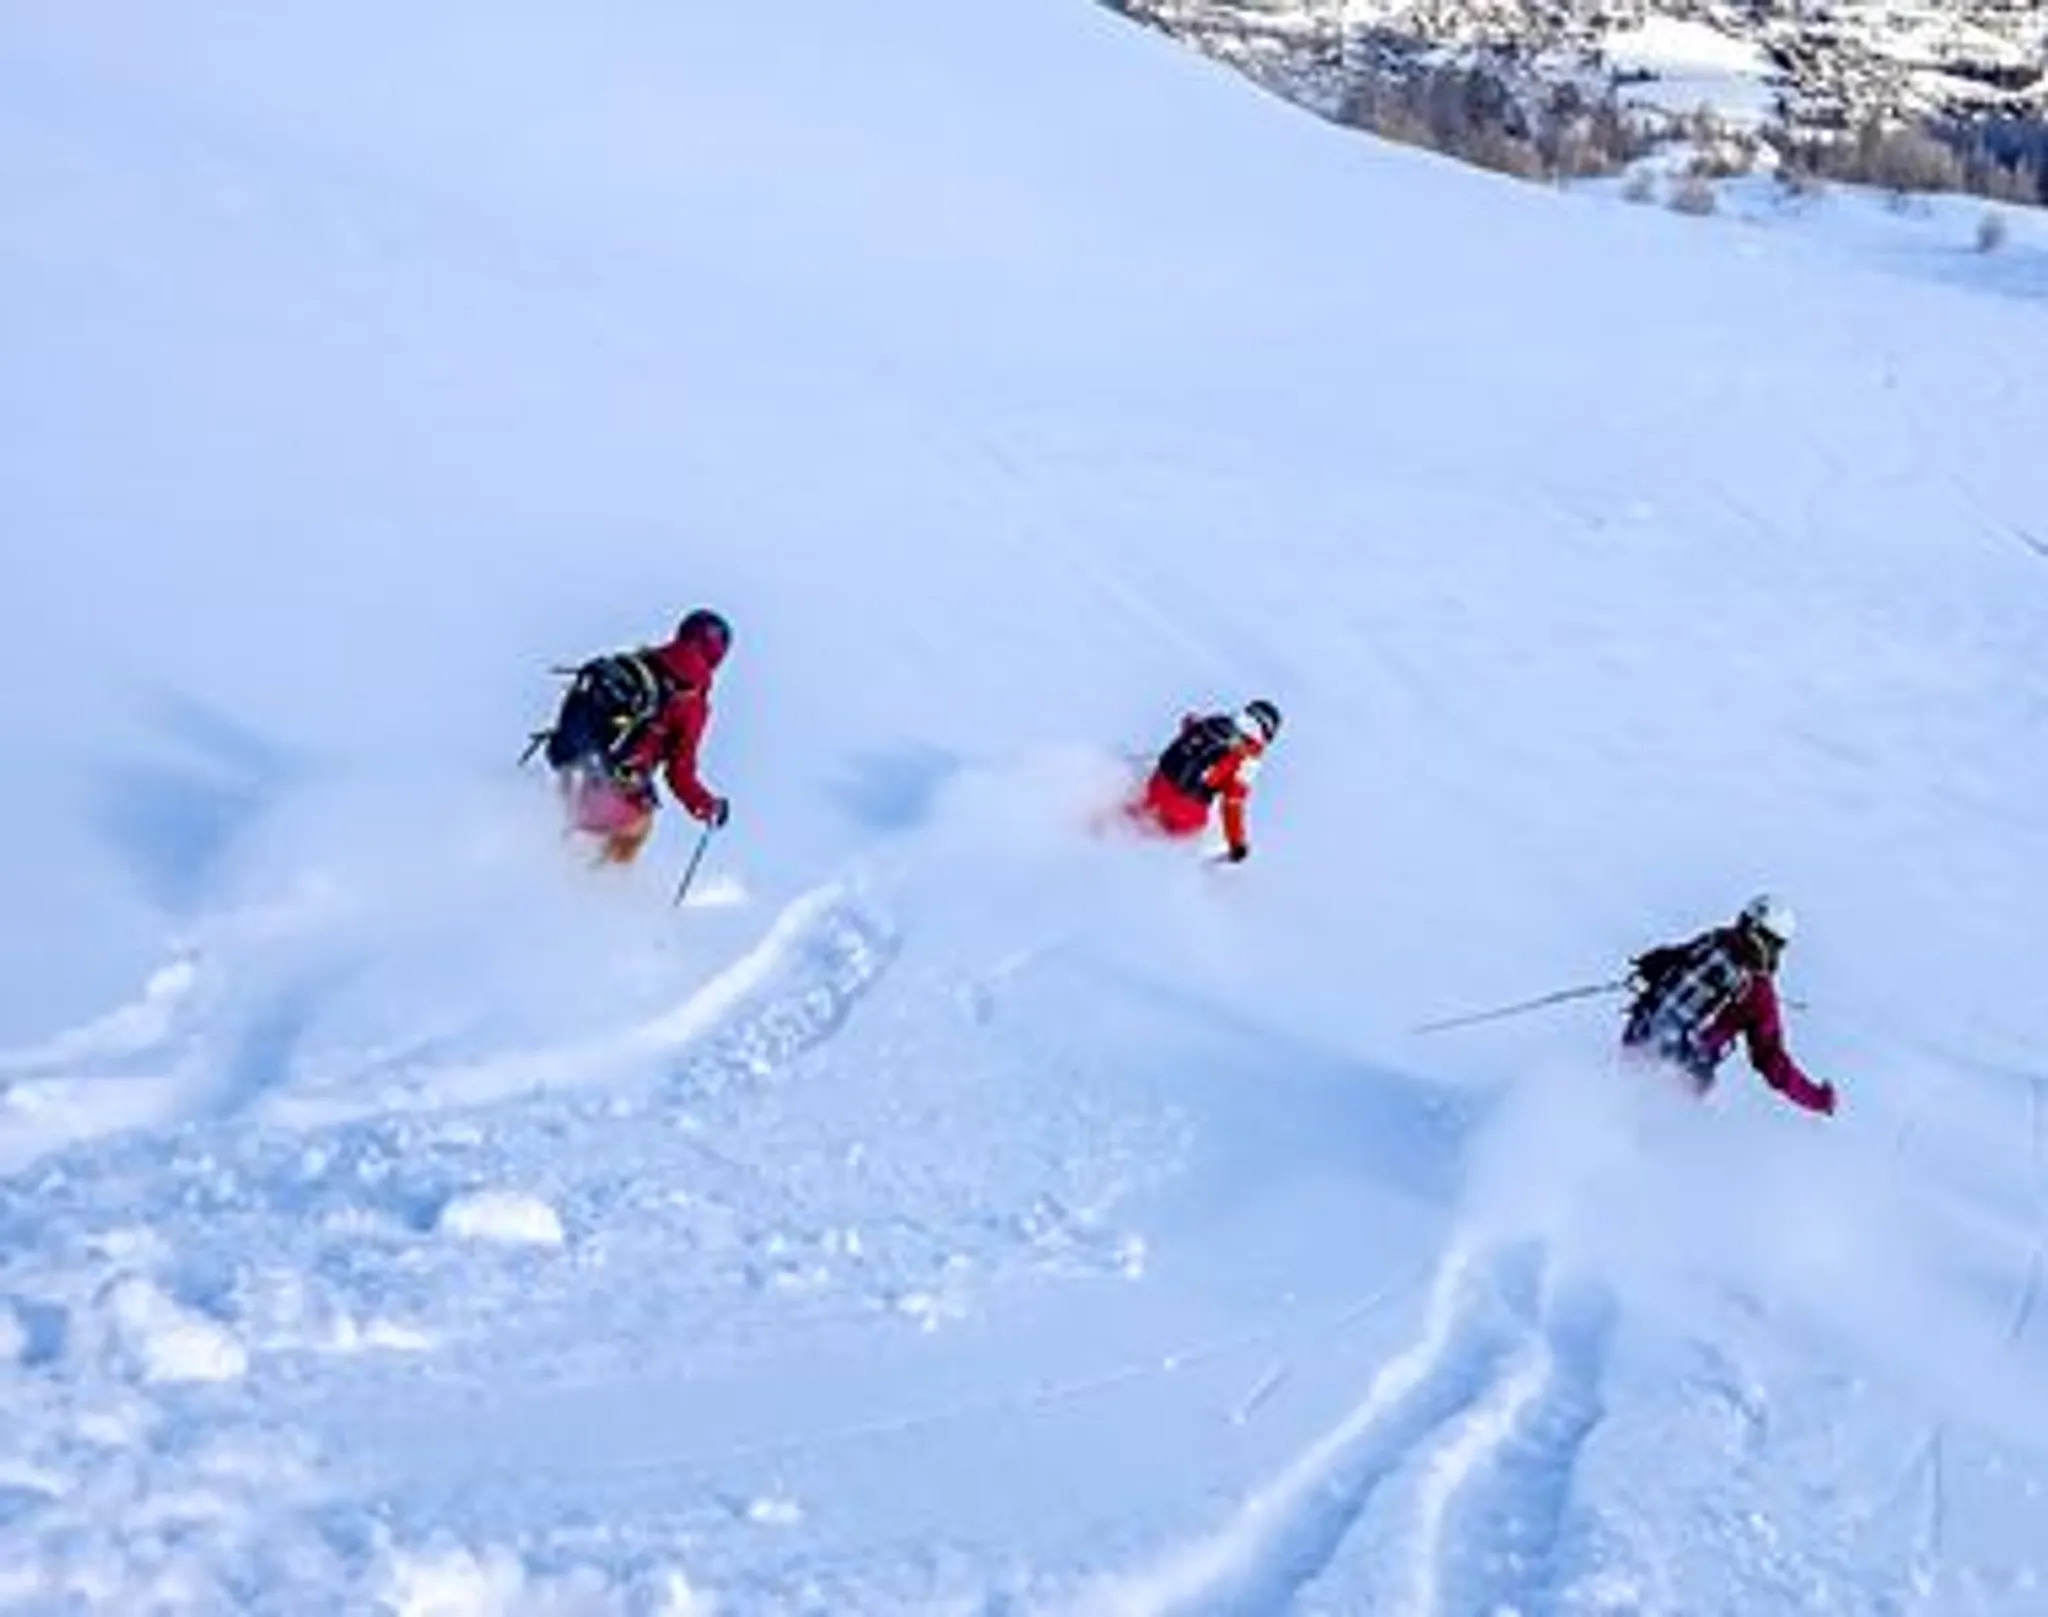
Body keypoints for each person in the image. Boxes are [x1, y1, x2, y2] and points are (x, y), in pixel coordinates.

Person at [537, 608, 733, 866]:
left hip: (575, 766)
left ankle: (536, 868)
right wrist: (707, 806)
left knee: (557, 833)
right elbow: (679, 774)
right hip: (619, 785)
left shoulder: (639, 661)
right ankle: (596, 895)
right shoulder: (692, 701)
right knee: (635, 829)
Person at [1622, 894, 1836, 1116]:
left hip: (1638, 1039)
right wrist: (1818, 1099)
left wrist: (1650, 964)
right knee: (1660, 1116)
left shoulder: (1715, 940)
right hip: (1682, 1076)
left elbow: (1673, 957)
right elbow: (1772, 1061)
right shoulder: (1758, 992)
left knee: (1628, 1091)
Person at [1125, 700, 1280, 863]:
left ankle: (1120, 823)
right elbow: (1233, 803)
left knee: (1144, 810)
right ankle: (1147, 858)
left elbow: (1189, 723)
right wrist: (1237, 844)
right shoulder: (1249, 759)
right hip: (1187, 809)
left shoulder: (1218, 720)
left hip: (1159, 781)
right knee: (1180, 838)